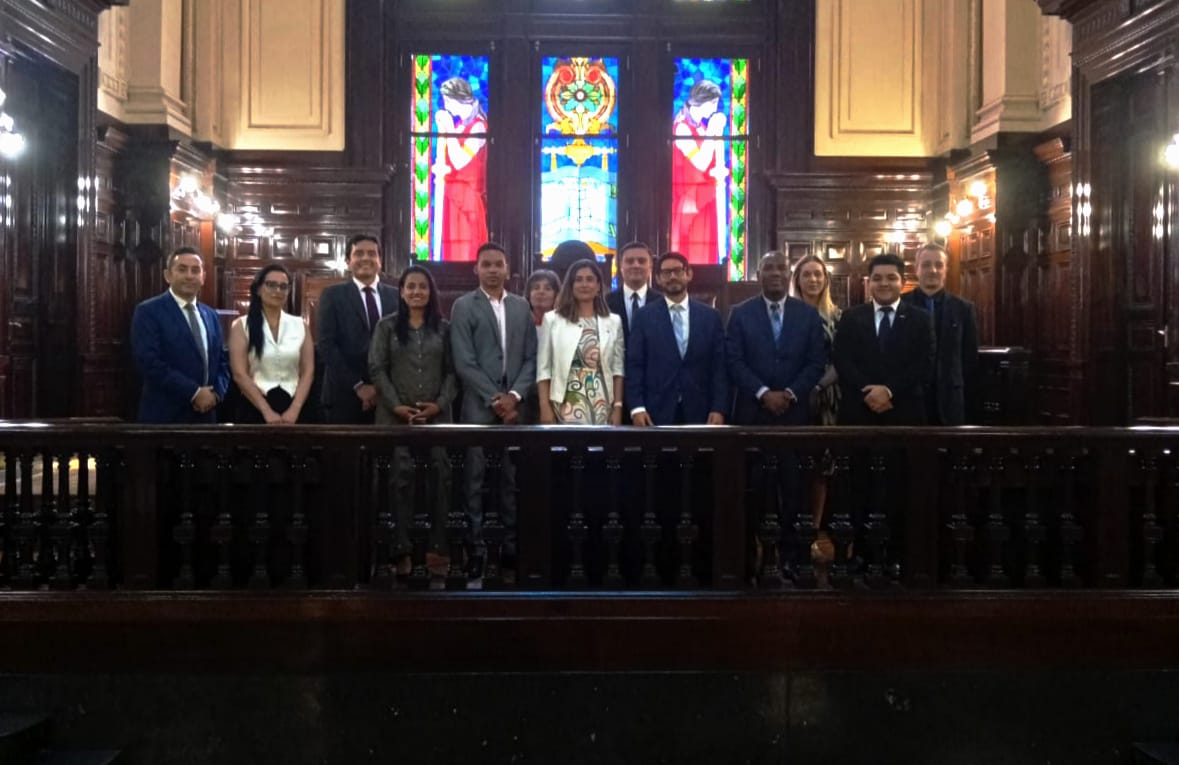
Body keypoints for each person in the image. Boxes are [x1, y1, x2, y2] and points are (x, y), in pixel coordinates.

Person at [449, 242, 537, 577]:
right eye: (486, 264)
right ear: (476, 269)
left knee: (512, 478)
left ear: (508, 269)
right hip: (478, 406)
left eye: (498, 264)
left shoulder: (520, 306)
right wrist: (496, 399)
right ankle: (477, 548)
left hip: (516, 408)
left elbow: (531, 358)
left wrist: (514, 395)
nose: (492, 270)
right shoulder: (463, 306)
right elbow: (464, 362)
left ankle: (511, 545)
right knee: (474, 478)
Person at [369, 265, 457, 576]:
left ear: (431, 292)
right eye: (410, 287)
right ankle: (400, 547)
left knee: (441, 475)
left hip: (436, 416)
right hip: (395, 417)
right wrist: (397, 406)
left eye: (422, 286)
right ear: (402, 292)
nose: (416, 291)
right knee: (399, 477)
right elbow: (377, 369)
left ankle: (437, 546)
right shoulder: (387, 327)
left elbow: (452, 372)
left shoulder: (444, 329)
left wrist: (438, 405)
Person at [625, 251, 728, 426]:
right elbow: (635, 365)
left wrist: (719, 408)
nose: (672, 276)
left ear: (688, 274)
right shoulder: (644, 317)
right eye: (666, 273)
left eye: (678, 271)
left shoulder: (710, 317)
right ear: (657, 279)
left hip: (701, 410)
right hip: (655, 411)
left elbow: (719, 367)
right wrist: (637, 407)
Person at [131, 246, 230, 424]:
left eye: (195, 270)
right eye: (182, 269)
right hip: (165, 415)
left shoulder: (211, 315)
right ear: (168, 275)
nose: (189, 276)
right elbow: (149, 362)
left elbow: (222, 361)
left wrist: (215, 394)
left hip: (206, 415)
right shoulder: (149, 311)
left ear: (203, 277)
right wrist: (194, 393)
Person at [726, 251, 826, 427]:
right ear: (758, 275)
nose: (775, 273)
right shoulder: (740, 314)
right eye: (768, 268)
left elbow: (816, 362)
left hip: (796, 411)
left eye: (782, 268)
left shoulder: (809, 315)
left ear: (790, 274)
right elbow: (734, 361)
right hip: (751, 412)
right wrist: (763, 393)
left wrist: (790, 393)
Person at [832, 252, 934, 425]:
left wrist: (888, 390)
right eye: (877, 278)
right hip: (859, 409)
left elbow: (923, 362)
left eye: (891, 278)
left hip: (904, 409)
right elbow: (842, 359)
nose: (884, 283)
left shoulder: (921, 319)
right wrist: (869, 392)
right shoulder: (850, 317)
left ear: (902, 282)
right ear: (869, 282)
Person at [317, 234, 398, 425]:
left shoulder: (396, 297)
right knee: (344, 454)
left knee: (384, 453)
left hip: (388, 395)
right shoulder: (332, 295)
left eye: (372, 253)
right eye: (358, 253)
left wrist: (379, 388)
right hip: (343, 395)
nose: (366, 258)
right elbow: (326, 345)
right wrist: (359, 386)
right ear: (348, 261)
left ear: (380, 260)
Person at [537, 259, 625, 426]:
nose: (584, 284)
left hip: (603, 402)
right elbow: (543, 369)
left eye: (590, 279)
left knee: (601, 451)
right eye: (578, 279)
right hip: (564, 401)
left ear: (599, 286)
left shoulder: (613, 321)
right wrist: (544, 407)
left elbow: (618, 369)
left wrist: (618, 406)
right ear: (570, 285)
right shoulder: (552, 320)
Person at [900, 242, 980, 425]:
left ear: (946, 269)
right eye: (926, 264)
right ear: (916, 269)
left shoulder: (964, 309)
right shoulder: (900, 306)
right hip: (909, 398)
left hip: (950, 399)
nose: (933, 270)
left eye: (939, 265)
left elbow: (969, 359)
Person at [228, 264, 315, 424]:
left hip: (295, 406)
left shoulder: (299, 324)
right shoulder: (241, 325)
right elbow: (240, 374)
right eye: (271, 285)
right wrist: (267, 411)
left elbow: (308, 371)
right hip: (255, 406)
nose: (278, 291)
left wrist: (295, 409)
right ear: (259, 289)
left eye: (283, 287)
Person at [671, 80, 728, 265]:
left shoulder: (700, 127)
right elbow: (701, 163)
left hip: (705, 199)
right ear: (701, 101)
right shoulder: (681, 127)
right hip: (691, 202)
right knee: (693, 255)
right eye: (713, 103)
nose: (715, 108)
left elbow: (712, 163)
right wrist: (712, 131)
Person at [432, 77, 488, 261]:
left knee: (465, 252)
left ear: (460, 99)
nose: (447, 106)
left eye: (448, 101)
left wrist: (448, 128)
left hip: (467, 201)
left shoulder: (478, 125)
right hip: (454, 196)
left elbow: (460, 160)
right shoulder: (462, 125)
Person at [792, 254, 842, 426]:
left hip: (830, 390)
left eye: (818, 274)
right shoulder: (788, 317)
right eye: (806, 275)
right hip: (793, 390)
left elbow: (843, 358)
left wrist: (818, 387)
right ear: (797, 280)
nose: (813, 279)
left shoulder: (838, 316)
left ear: (825, 280)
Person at [605, 240, 661, 339]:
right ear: (620, 266)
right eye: (630, 261)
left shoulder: (662, 303)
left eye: (641, 261)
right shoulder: (605, 302)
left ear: (650, 267)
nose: (636, 265)